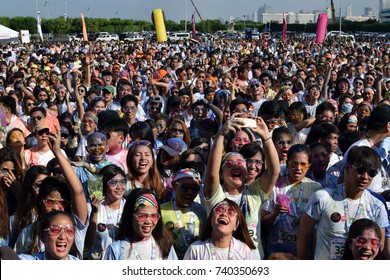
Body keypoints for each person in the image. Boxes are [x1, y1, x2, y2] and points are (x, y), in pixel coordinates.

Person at [203, 114, 280, 258]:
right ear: (221, 173)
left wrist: (266, 137)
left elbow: (274, 171)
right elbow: (211, 174)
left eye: (240, 163)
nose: (236, 166)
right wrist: (221, 134)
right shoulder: (216, 196)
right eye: (230, 164)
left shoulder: (254, 193)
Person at [297, 146, 388, 260]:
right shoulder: (322, 198)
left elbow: (379, 247)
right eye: (360, 170)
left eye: (371, 173)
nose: (365, 177)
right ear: (347, 168)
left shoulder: (377, 206)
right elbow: (303, 236)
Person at [261, 144, 322, 257]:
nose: (298, 168)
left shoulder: (315, 188)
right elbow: (264, 223)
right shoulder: (275, 185)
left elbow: (317, 228)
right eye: (294, 163)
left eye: (303, 164)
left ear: (309, 166)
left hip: (303, 253)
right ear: (288, 163)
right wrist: (275, 213)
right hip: (276, 252)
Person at [104, 189, 177, 260]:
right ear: (130, 216)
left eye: (154, 216)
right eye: (142, 216)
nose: (148, 221)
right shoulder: (116, 250)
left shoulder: (164, 245)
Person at [183, 199, 257, 260]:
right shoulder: (195, 250)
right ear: (211, 220)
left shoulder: (244, 251)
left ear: (236, 226)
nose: (224, 213)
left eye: (231, 212)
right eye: (219, 210)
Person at [160, 168, 207, 259]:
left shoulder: (201, 210)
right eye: (185, 187)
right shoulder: (162, 209)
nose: (189, 192)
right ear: (174, 186)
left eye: (195, 188)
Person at [84, 164, 126, 260]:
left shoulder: (130, 206)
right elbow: (88, 243)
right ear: (103, 184)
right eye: (113, 183)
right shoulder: (92, 207)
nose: (119, 187)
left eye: (122, 182)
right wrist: (94, 213)